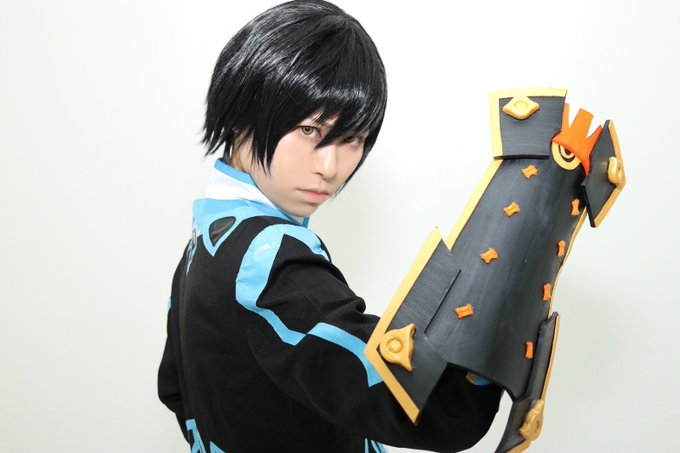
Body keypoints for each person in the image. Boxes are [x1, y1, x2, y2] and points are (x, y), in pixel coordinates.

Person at [158, 1, 502, 452]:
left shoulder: (206, 241)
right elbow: (438, 407)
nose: (331, 167)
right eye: (309, 131)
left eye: (352, 138)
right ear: (242, 114)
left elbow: (176, 391)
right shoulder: (266, 259)